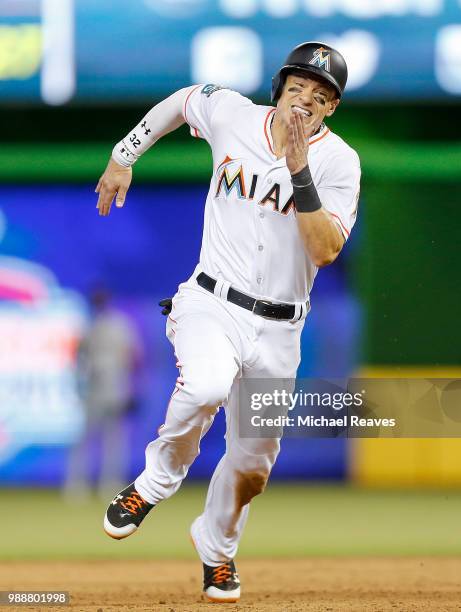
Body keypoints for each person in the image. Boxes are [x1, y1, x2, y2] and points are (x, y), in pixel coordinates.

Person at [96, 42, 361, 603]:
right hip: (210, 302)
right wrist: (125, 154)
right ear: (279, 88)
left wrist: (298, 169)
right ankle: (154, 483)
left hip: (281, 331)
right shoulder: (234, 114)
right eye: (297, 89)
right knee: (207, 384)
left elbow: (325, 250)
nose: (304, 102)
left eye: (319, 97)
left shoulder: (340, 163)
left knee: (251, 469)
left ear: (330, 109)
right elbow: (183, 100)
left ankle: (216, 551)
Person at [65, 287, 142, 498]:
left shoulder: (117, 325)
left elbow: (134, 356)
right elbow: (79, 357)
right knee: (88, 439)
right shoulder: (91, 325)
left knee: (113, 440)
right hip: (96, 389)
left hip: (114, 389)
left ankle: (108, 484)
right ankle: (78, 485)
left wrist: (132, 387)